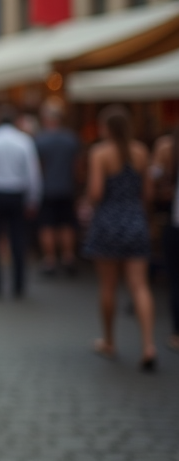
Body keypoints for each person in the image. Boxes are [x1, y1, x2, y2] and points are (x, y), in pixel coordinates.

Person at [83, 106, 156, 371]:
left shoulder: (100, 153)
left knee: (108, 286)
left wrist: (88, 203)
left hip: (108, 222)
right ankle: (148, 344)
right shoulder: (140, 152)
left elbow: (96, 192)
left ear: (106, 128)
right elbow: (147, 194)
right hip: (135, 220)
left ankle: (110, 341)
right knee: (140, 286)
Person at [0, 105, 41, 299]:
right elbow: (33, 174)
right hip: (16, 194)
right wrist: (33, 199)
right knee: (18, 240)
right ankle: (19, 284)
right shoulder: (24, 141)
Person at [35, 101, 82, 276]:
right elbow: (77, 167)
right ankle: (68, 257)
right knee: (66, 223)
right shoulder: (71, 138)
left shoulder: (40, 139)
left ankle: (50, 259)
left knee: (47, 225)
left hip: (46, 188)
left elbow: (38, 167)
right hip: (67, 187)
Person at [151, 129, 179, 352]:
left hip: (175, 221)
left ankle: (177, 333)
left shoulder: (166, 147)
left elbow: (154, 178)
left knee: (176, 279)